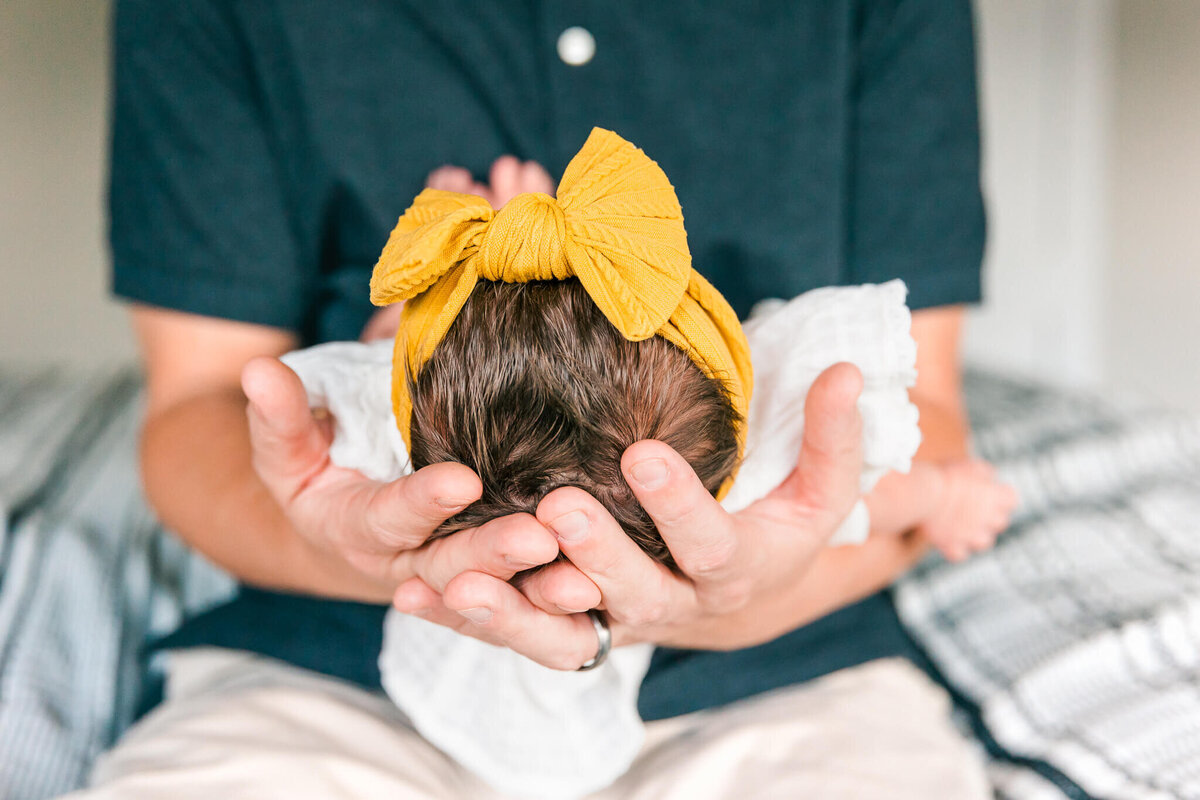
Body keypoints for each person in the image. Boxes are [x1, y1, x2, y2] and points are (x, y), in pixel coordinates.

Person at [91, 1, 995, 796]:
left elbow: (337, 405)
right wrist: (953, 497)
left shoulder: (376, 423)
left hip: (776, 669)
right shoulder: (762, 462)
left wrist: (399, 331)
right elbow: (894, 477)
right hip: (332, 668)